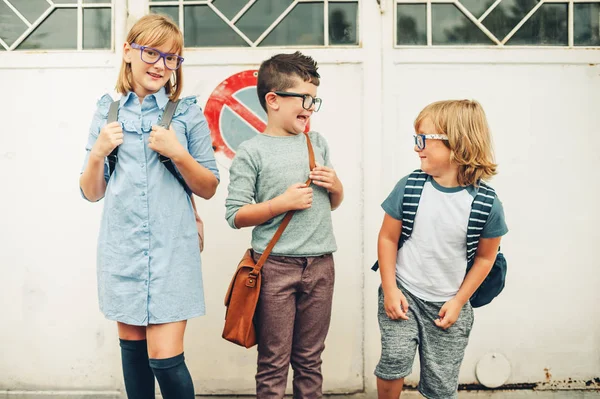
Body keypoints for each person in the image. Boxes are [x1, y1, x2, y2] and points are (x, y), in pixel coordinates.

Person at [79, 14, 219, 399]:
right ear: (128, 52)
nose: (161, 65)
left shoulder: (186, 112)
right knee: (135, 358)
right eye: (151, 53)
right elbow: (92, 192)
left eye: (171, 57)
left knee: (164, 359)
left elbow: (208, 186)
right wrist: (97, 154)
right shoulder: (106, 113)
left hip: (172, 250)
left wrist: (178, 153)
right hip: (123, 250)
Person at [225, 51, 344, 398]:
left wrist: (336, 186)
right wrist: (280, 204)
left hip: (321, 265)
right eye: (304, 98)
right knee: (274, 361)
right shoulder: (252, 152)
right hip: (275, 268)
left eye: (314, 99)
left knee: (310, 360)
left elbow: (332, 202)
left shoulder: (317, 143)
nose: (310, 106)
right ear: (273, 100)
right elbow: (235, 215)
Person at [375, 100, 508, 399]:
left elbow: (486, 258)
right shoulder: (409, 187)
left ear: (457, 143)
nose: (416, 147)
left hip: (450, 304)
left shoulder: (486, 203)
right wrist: (390, 288)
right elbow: (387, 238)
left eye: (422, 139)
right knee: (394, 360)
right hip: (403, 293)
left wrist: (460, 301)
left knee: (441, 382)